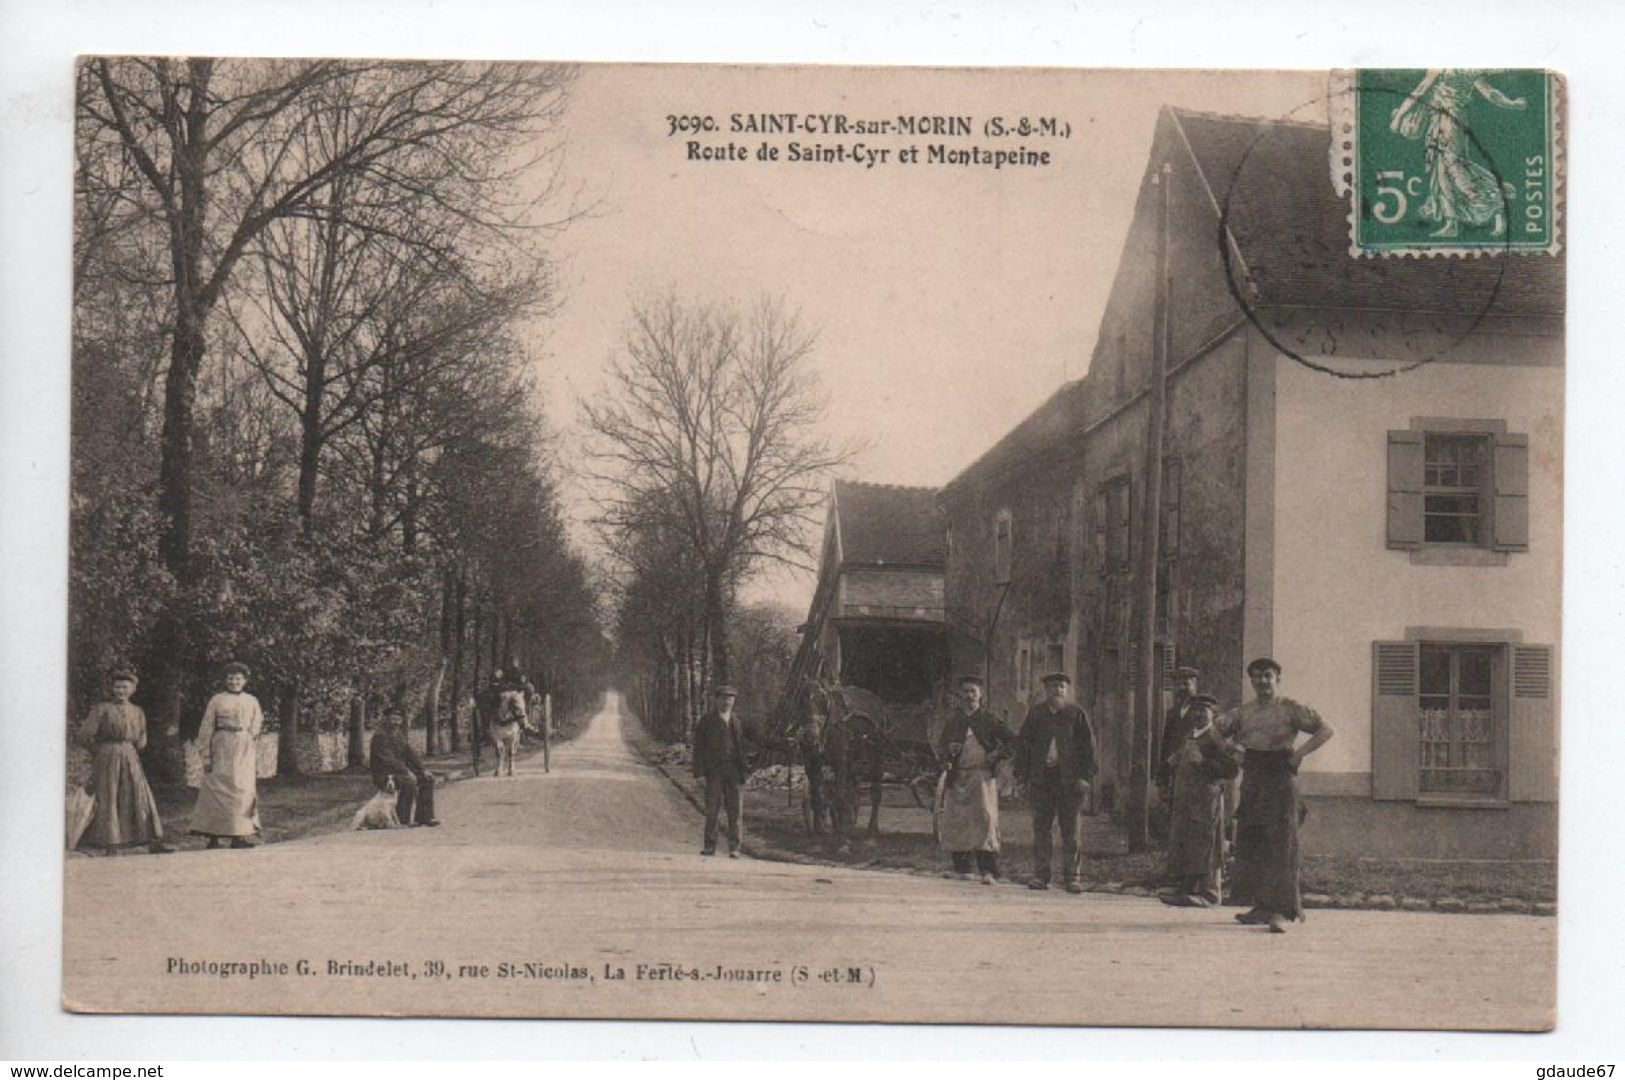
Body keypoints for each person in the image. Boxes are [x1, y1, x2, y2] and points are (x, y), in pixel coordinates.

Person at [1218, 658, 1334, 933]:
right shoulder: (1243, 713)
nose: (1262, 681)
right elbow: (1214, 732)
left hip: (1280, 778)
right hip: (1253, 779)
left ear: (1277, 678)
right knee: (1254, 843)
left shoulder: (1290, 709)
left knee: (1281, 845)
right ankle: (1262, 906)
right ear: (1251, 681)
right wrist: (1233, 751)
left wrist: (1299, 754)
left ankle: (1283, 911)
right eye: (1256, 677)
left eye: (1267, 676)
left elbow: (1326, 730)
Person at [1158, 694, 1243, 908]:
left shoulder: (1218, 738)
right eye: (1194, 709)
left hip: (1207, 799)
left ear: (1214, 714)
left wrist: (1204, 762)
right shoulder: (1190, 736)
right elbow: (1179, 759)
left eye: (1203, 709)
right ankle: (1188, 890)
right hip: (1185, 799)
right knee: (1187, 842)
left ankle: (1211, 893)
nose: (1197, 714)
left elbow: (1232, 769)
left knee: (1208, 843)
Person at [76, 669, 173, 856]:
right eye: (117, 687)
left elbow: (142, 737)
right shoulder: (102, 709)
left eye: (125, 687)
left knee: (137, 793)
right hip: (108, 755)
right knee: (109, 794)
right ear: (112, 689)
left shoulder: (137, 711)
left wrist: (137, 743)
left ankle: (148, 840)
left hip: (130, 754)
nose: (121, 691)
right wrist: (100, 751)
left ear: (133, 689)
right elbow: (85, 735)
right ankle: (110, 842)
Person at [1016, 672, 1096, 893]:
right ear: (1046, 690)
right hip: (1042, 780)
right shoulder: (1036, 715)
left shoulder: (1076, 714)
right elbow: (1023, 746)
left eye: (1061, 686)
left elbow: (1089, 749)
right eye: (1052, 686)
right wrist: (1022, 777)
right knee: (1041, 828)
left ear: (1067, 690)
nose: (1057, 690)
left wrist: (1085, 777)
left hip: (1070, 782)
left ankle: (1073, 877)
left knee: (1070, 830)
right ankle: (1041, 875)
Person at [934, 674, 1015, 885]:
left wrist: (996, 755)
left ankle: (988, 870)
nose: (969, 696)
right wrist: (948, 752)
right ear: (960, 695)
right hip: (958, 777)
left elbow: (1012, 741)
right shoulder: (954, 721)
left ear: (981, 695)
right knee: (957, 820)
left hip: (982, 777)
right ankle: (963, 869)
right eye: (965, 691)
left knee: (984, 820)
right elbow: (941, 748)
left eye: (973, 691)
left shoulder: (989, 719)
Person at [691, 684, 778, 858]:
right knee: (712, 810)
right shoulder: (706, 721)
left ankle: (735, 848)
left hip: (735, 771)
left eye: (730, 698)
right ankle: (710, 846)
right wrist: (699, 773)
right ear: (716, 700)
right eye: (723, 698)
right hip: (714, 771)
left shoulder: (739, 722)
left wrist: (781, 744)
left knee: (735, 810)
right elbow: (698, 749)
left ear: (734, 701)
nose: (726, 702)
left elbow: (759, 739)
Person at [190, 661, 264, 849]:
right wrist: (206, 756)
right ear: (226, 680)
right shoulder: (217, 700)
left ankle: (237, 836)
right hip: (221, 744)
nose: (234, 682)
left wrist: (249, 739)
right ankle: (213, 836)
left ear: (244, 681)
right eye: (230, 678)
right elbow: (206, 727)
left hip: (243, 747)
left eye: (238, 678)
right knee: (218, 789)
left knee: (242, 790)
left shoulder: (251, 700)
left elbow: (257, 723)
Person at [368, 706, 440, 827]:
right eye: (393, 719)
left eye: (398, 720)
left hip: (398, 770)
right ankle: (403, 819)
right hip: (385, 774)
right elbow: (388, 760)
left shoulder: (399, 734)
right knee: (409, 781)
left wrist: (423, 769)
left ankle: (425, 817)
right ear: (386, 719)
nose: (396, 723)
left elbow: (410, 753)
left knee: (427, 779)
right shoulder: (380, 735)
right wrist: (406, 771)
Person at [471, 670, 504, 776]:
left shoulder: (495, 691)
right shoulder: (490, 692)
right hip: (490, 715)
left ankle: (485, 729)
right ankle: (485, 729)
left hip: (493, 714)